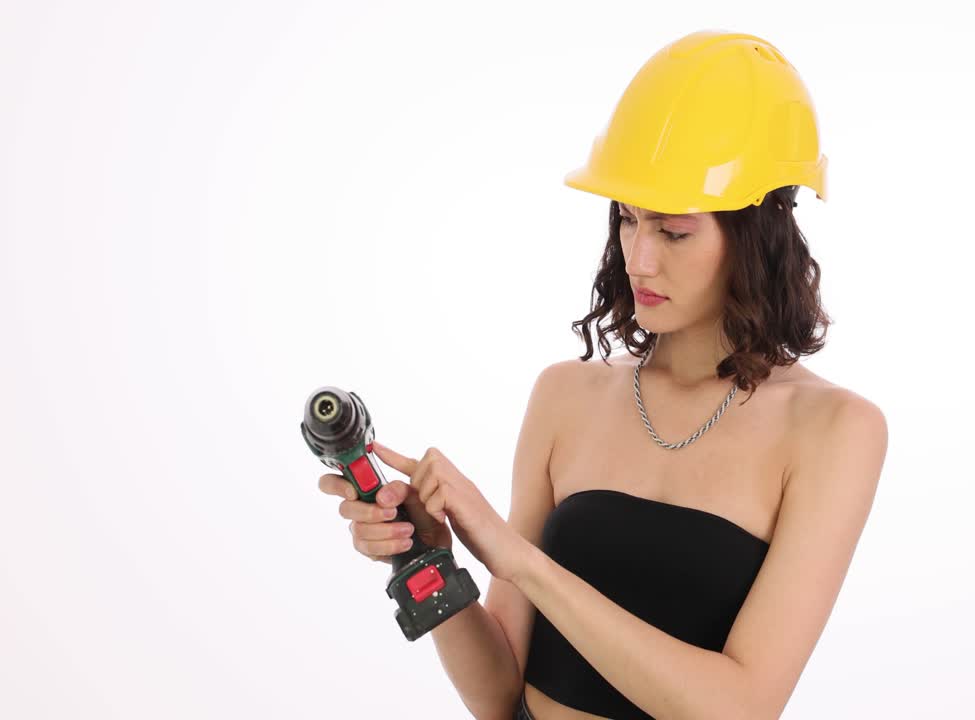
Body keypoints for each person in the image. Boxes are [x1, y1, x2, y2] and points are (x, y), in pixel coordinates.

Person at [317, 29, 887, 720]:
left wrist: (518, 557)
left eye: (674, 231)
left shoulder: (835, 430)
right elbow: (499, 696)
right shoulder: (566, 395)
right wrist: (426, 558)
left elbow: (739, 707)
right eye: (626, 220)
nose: (639, 258)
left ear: (757, 233)